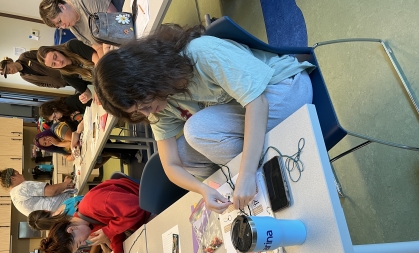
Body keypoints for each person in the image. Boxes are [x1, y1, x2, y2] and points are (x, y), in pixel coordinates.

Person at [93, 24, 314, 214]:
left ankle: (255, 176)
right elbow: (170, 164)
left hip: (285, 89)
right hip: (252, 108)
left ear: (149, 79)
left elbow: (258, 102)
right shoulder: (156, 101)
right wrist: (204, 189)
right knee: (181, 152)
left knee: (198, 130)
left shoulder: (201, 53)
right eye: (139, 112)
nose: (148, 114)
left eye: (146, 106)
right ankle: (248, 177)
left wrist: (246, 174)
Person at [40, 177, 151, 253]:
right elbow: (115, 225)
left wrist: (109, 231)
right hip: (141, 222)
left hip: (150, 205)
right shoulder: (86, 224)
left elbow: (136, 207)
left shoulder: (93, 204)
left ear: (72, 229)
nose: (84, 243)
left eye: (79, 243)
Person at [39, 0, 125, 55]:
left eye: (60, 21)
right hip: (117, 44)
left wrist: (106, 47)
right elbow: (97, 46)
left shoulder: (83, 0)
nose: (63, 27)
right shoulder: (74, 28)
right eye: (59, 26)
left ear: (61, 7)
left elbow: (113, 16)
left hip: (126, 22)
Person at [34, 121, 140, 165]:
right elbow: (68, 157)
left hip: (92, 133)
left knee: (102, 152)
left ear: (45, 134)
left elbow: (74, 140)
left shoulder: (57, 130)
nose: (47, 141)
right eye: (45, 144)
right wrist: (71, 154)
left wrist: (59, 144)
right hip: (87, 145)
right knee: (96, 163)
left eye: (45, 139)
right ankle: (124, 153)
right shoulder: (55, 146)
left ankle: (131, 150)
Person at [37, 40, 99, 104]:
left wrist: (98, 89)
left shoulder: (72, 46)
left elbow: (98, 60)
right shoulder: (66, 75)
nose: (58, 62)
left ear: (57, 50)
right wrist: (86, 96)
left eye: (55, 57)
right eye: (54, 64)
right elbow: (86, 91)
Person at [0, 168, 74, 216]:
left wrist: (64, 186)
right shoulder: (22, 187)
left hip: (58, 217)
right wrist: (65, 183)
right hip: (65, 206)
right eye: (18, 174)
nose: (22, 175)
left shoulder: (15, 199)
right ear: (13, 178)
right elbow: (52, 191)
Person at [0, 51, 67, 88]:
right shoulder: (24, 76)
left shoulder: (24, 56)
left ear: (9, 62)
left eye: (8, 69)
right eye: (8, 73)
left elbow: (43, 55)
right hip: (64, 81)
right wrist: (57, 85)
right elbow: (41, 84)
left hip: (64, 69)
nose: (11, 72)